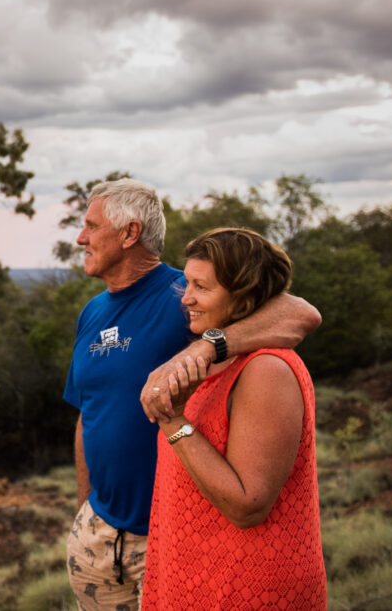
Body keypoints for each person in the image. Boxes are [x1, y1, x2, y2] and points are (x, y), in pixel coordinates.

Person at [64, 180, 321, 611]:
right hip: (98, 536)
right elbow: (88, 412)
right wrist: (85, 509)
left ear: (129, 234)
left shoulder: (184, 295)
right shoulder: (92, 312)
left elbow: (302, 314)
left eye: (90, 225)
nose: (80, 237)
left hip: (168, 539)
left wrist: (207, 345)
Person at [141, 228, 327, 610]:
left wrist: (174, 422)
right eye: (186, 283)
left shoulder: (266, 370)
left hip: (247, 588)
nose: (186, 298)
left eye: (201, 287)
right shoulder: (216, 360)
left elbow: (248, 505)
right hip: (199, 578)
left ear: (243, 294)